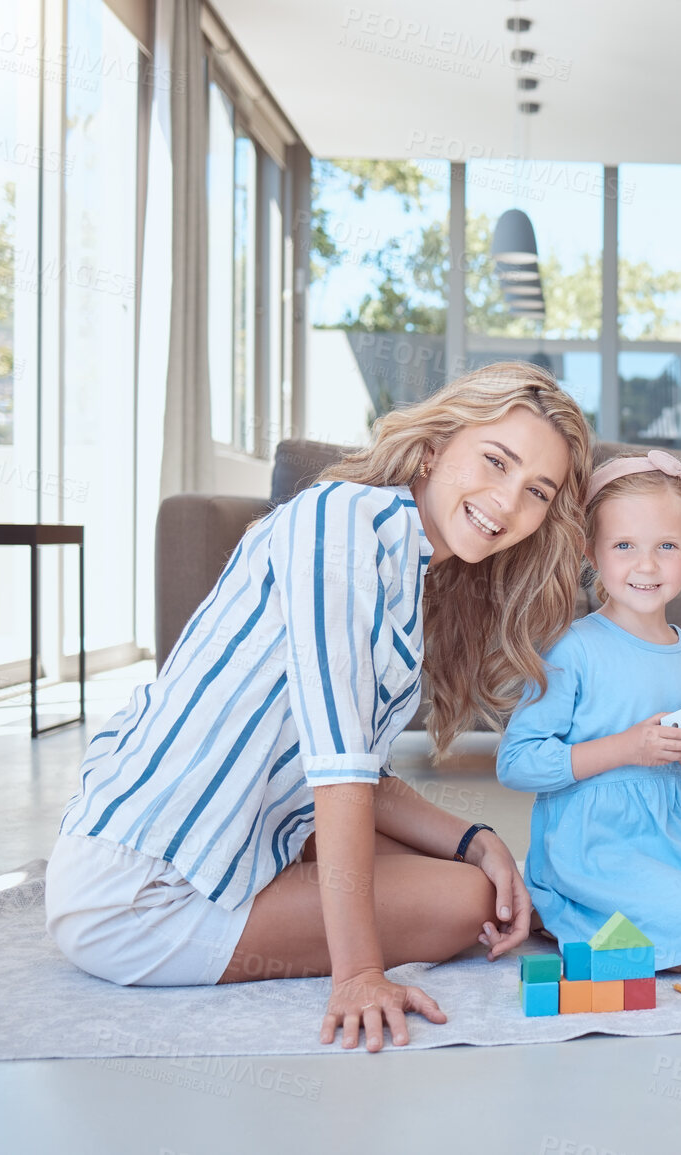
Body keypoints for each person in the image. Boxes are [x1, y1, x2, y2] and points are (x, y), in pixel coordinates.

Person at [46, 363, 597, 1049]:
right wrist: (359, 972)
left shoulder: (407, 559)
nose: (507, 501)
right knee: (470, 900)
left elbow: (358, 766)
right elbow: (339, 771)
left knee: (469, 868)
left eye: (536, 490)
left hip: (220, 839)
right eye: (495, 460)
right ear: (435, 446)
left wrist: (478, 839)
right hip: (139, 895)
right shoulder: (341, 522)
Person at [497, 451, 681, 973]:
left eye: (666, 546)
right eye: (624, 546)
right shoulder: (572, 650)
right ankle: (567, 905)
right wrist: (628, 748)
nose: (646, 565)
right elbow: (517, 763)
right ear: (590, 551)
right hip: (598, 844)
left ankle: (674, 908)